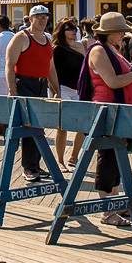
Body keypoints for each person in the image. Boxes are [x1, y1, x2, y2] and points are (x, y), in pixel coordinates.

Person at [82, 12, 132, 226]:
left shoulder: (111, 50)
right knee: (108, 160)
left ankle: (114, 203)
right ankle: (107, 211)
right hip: (106, 113)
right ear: (109, 33)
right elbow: (112, 82)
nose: (124, 33)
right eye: (120, 30)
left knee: (115, 159)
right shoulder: (98, 51)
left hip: (117, 113)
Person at [4, 5, 61, 182]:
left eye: (45, 17)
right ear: (30, 19)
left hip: (40, 85)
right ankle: (28, 168)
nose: (43, 20)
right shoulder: (21, 37)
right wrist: (13, 91)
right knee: (28, 127)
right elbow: (9, 64)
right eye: (39, 17)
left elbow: (50, 66)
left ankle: (34, 165)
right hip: (25, 85)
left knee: (39, 126)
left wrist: (57, 89)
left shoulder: (47, 39)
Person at [51, 17, 86, 167]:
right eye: (69, 28)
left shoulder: (80, 46)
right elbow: (51, 72)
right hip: (63, 88)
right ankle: (60, 161)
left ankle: (73, 157)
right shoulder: (57, 48)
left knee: (82, 126)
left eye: (74, 28)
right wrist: (55, 90)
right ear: (62, 31)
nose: (73, 31)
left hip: (78, 90)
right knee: (62, 126)